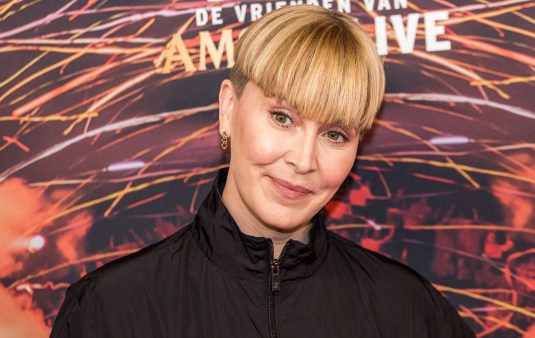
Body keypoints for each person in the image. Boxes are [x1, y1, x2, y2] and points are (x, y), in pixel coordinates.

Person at [50, 5, 475, 338]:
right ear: (229, 108)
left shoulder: (407, 309)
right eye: (283, 118)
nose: (304, 160)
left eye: (334, 134)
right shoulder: (109, 308)